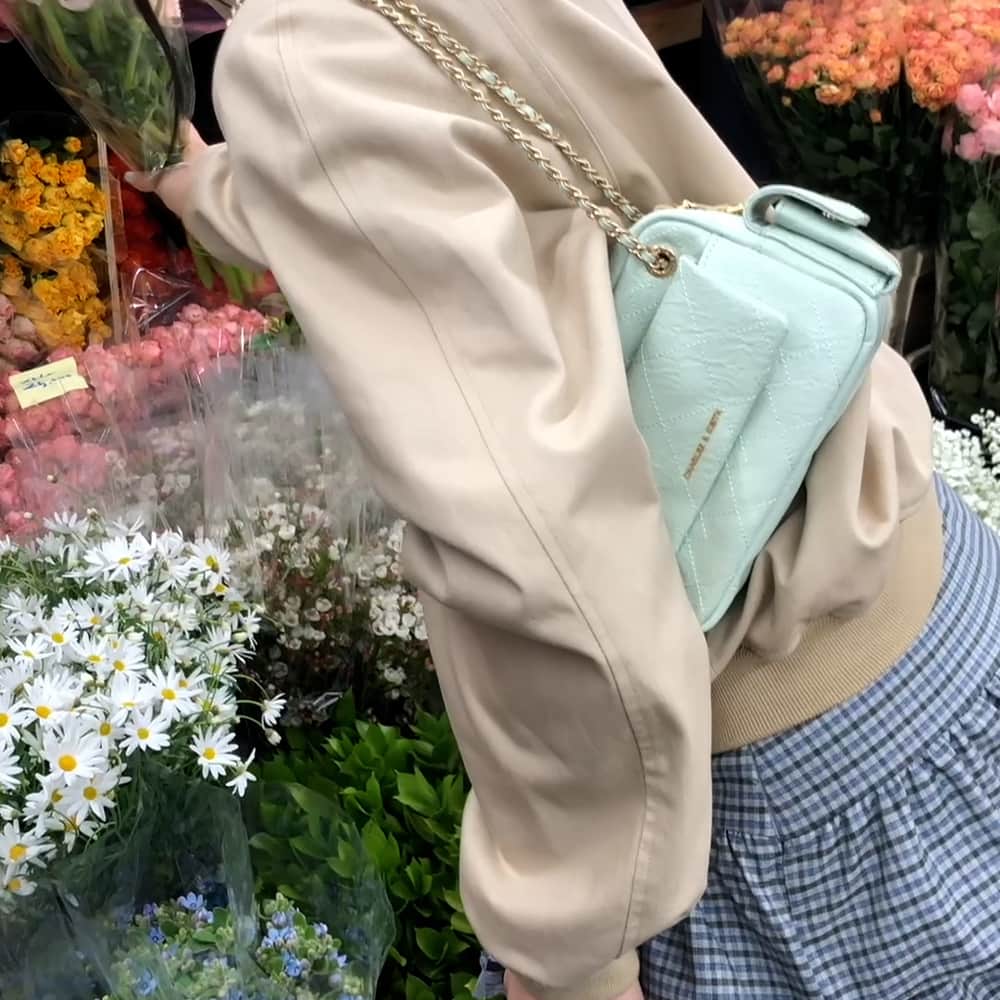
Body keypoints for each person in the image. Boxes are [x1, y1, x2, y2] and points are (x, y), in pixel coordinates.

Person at [9, 1, 1000, 998]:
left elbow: (544, 550)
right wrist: (218, 181)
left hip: (788, 794)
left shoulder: (299, 46)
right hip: (932, 623)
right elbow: (495, 148)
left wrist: (574, 947)